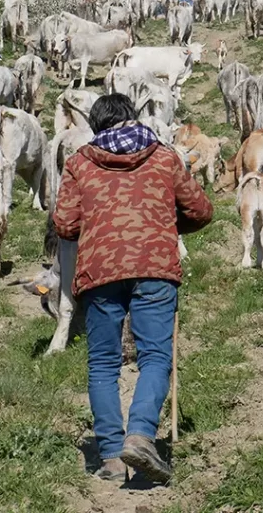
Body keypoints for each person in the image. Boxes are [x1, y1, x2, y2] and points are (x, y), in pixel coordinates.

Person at [52, 93, 213, 483]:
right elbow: (201, 210)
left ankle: (110, 455)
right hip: (156, 267)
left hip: (99, 271)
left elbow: (64, 224)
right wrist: (166, 224)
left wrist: (96, 225)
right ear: (131, 118)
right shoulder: (164, 156)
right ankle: (140, 435)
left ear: (97, 125)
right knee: (155, 356)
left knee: (103, 363)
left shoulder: (78, 163)